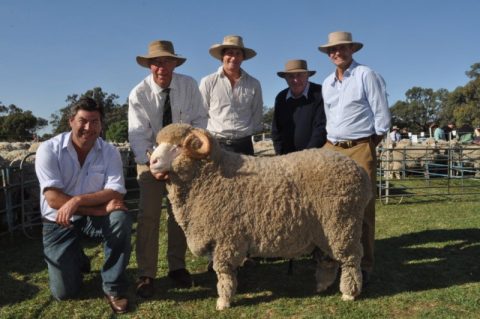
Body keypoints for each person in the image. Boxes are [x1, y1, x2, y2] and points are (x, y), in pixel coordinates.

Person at [35, 97, 132, 314]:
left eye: (95, 121)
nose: (88, 128)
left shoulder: (109, 152)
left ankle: (113, 287)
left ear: (101, 124)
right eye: (83, 121)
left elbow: (116, 191)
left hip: (92, 219)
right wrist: (96, 209)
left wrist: (77, 200)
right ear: (71, 121)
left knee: (120, 218)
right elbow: (52, 198)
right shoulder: (48, 150)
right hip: (58, 222)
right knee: (64, 293)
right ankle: (77, 257)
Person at [129, 40, 208, 297]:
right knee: (148, 215)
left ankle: (177, 266)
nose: (161, 67)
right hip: (149, 160)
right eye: (156, 62)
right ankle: (146, 273)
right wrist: (154, 164)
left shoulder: (188, 86)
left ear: (175, 63)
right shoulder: (138, 94)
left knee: (179, 214)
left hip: (182, 160)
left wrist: (184, 154)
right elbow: (139, 135)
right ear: (149, 65)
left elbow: (199, 121)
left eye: (166, 61)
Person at [318, 31, 391, 285]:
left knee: (362, 208)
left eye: (341, 48)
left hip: (359, 146)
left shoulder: (366, 75)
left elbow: (382, 117)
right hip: (332, 148)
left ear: (352, 50)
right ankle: (336, 259)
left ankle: (365, 265)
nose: (336, 53)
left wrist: (368, 146)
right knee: (330, 208)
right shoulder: (327, 83)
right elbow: (329, 117)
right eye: (332, 50)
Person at [199, 35, 263, 155]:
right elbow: (200, 113)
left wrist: (244, 134)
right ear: (222, 57)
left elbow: (257, 114)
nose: (234, 57)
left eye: (238, 53)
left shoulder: (254, 84)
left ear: (243, 57)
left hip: (245, 146)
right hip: (216, 145)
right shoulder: (208, 82)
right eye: (230, 53)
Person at [271, 59, 326, 154]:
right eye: (291, 76)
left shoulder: (320, 93)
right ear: (285, 78)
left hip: (315, 157)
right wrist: (280, 154)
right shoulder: (281, 98)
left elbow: (321, 128)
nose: (295, 80)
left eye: (299, 75)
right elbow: (276, 130)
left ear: (307, 76)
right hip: (287, 159)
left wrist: (306, 155)